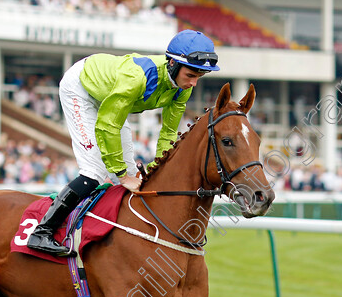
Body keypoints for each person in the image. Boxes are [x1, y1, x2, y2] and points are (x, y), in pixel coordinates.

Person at [26, 29, 221, 256]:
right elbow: (108, 124)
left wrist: (159, 168)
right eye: (190, 75)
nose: (194, 83)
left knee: (134, 176)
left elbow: (168, 133)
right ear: (172, 65)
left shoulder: (181, 89)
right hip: (81, 88)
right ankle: (43, 231)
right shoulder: (136, 78)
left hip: (110, 95)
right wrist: (119, 174)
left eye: (200, 76)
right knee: (94, 172)